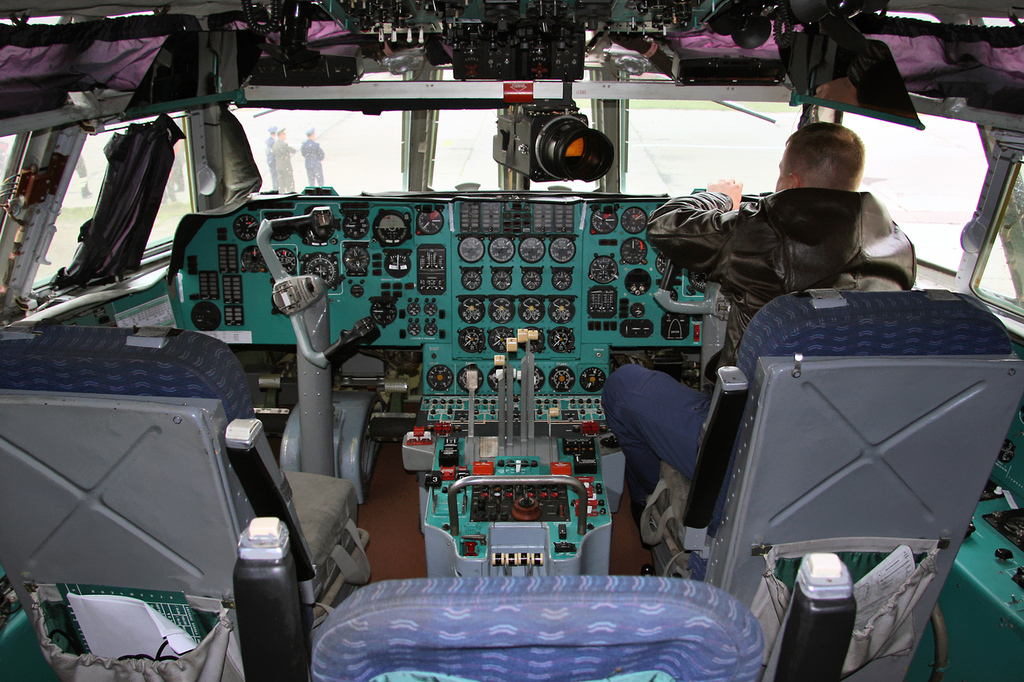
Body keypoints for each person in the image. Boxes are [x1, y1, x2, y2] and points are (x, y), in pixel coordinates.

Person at [601, 122, 916, 512]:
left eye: (780, 174)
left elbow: (667, 227)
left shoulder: (760, 234)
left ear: (794, 182)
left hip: (751, 443)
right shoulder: (899, 245)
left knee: (624, 387)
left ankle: (655, 505)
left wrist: (717, 197)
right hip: (850, 437)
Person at [272, 128, 296, 193]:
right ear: (280, 136)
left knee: (281, 183)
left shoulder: (275, 144)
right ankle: (290, 193)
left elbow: (273, 153)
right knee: (289, 182)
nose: (285, 136)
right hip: (285, 166)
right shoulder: (283, 144)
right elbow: (292, 150)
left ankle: (282, 193)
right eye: (284, 135)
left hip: (279, 166)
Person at [265, 126, 279, 190]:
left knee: (274, 175)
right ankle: (275, 188)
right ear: (275, 133)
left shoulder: (268, 141)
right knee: (275, 175)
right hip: (273, 160)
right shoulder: (272, 141)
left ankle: (275, 187)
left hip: (270, 159)